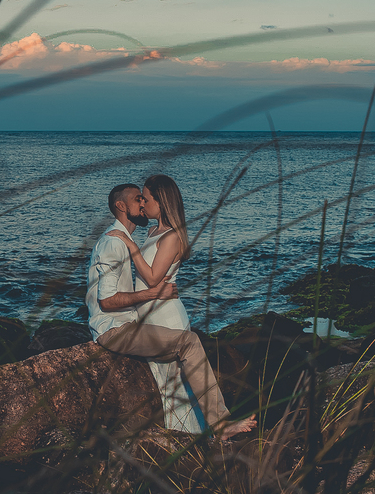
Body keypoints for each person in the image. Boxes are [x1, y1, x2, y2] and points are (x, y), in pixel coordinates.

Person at [86, 181, 257, 440]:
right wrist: (151, 294)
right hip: (117, 326)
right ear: (121, 206)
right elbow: (107, 301)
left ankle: (202, 437)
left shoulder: (134, 238)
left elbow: (149, 277)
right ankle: (209, 432)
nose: (142, 204)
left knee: (177, 388)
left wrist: (147, 286)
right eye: (137, 199)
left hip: (149, 318)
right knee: (177, 383)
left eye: (145, 198)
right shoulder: (115, 241)